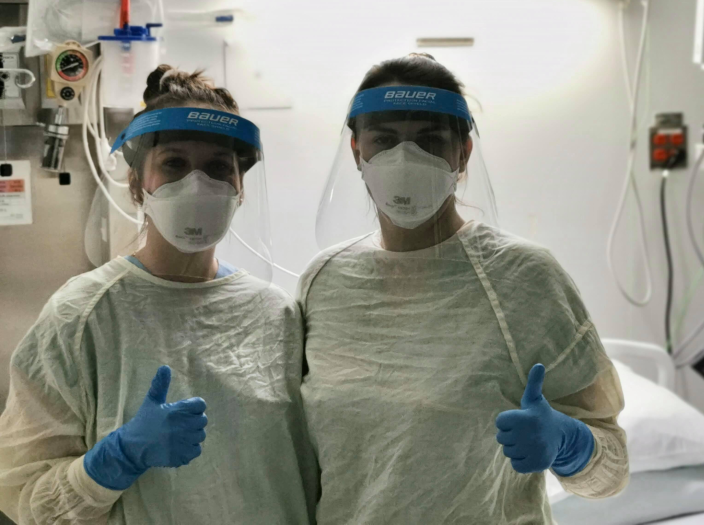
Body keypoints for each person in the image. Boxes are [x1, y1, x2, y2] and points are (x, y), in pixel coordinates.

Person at [300, 53, 630, 523]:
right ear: (357, 151)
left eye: (430, 141)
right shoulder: (324, 281)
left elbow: (611, 470)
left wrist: (569, 444)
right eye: (385, 140)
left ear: (463, 154)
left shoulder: (524, 278)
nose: (405, 159)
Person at [0, 66, 318, 524]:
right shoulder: (82, 315)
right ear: (137, 183)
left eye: (217, 168)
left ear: (240, 188)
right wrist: (112, 462)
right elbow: (26, 499)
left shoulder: (277, 314)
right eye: (173, 164)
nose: (197, 184)